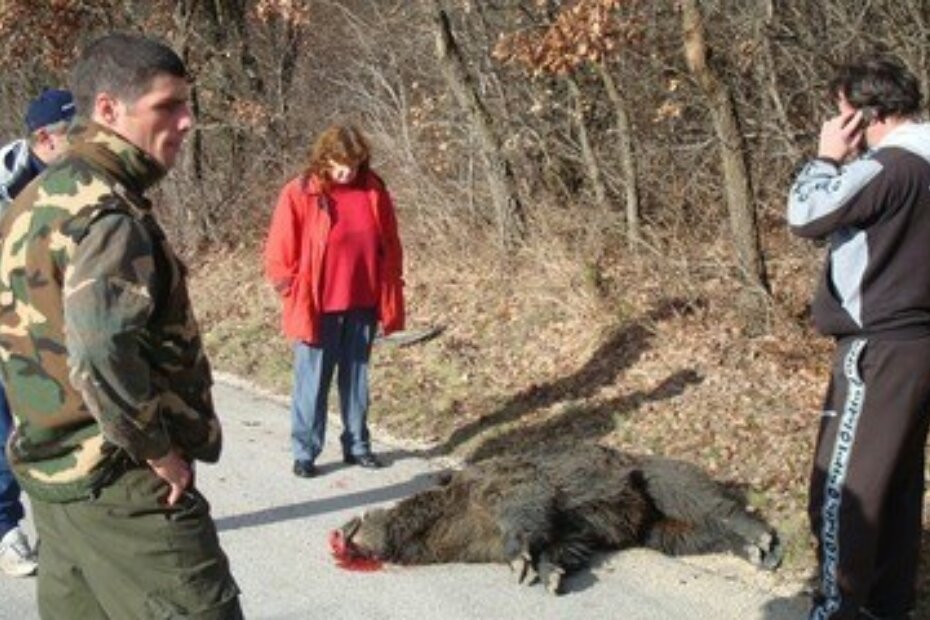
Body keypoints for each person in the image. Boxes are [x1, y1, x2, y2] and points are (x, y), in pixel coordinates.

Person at [0, 33, 242, 618]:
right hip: (125, 488)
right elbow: (99, 351)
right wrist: (158, 451)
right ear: (108, 109)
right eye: (167, 106)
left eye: (186, 105)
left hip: (55, 485)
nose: (186, 122)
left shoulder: (35, 198)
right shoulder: (107, 215)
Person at [788, 55, 930, 620]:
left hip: (878, 348)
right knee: (895, 485)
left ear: (866, 115)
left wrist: (826, 156)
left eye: (841, 111)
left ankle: (836, 609)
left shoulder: (889, 167)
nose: (837, 120)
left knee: (843, 489)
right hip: (919, 349)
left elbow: (805, 214)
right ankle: (886, 607)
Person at [265, 123, 405, 478]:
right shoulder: (300, 192)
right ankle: (306, 451)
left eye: (354, 165)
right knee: (312, 382)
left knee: (356, 379)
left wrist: (391, 286)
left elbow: (390, 243)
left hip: (363, 300)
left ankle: (358, 445)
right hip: (317, 305)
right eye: (341, 164)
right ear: (325, 158)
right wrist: (290, 289)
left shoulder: (374, 189)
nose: (347, 172)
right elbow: (279, 251)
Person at [0, 88, 76, 578]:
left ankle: (66, 531)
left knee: (52, 424)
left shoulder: (76, 183)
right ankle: (6, 530)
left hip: (48, 327)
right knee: (2, 431)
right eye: (76, 133)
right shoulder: (5, 183)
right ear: (46, 139)